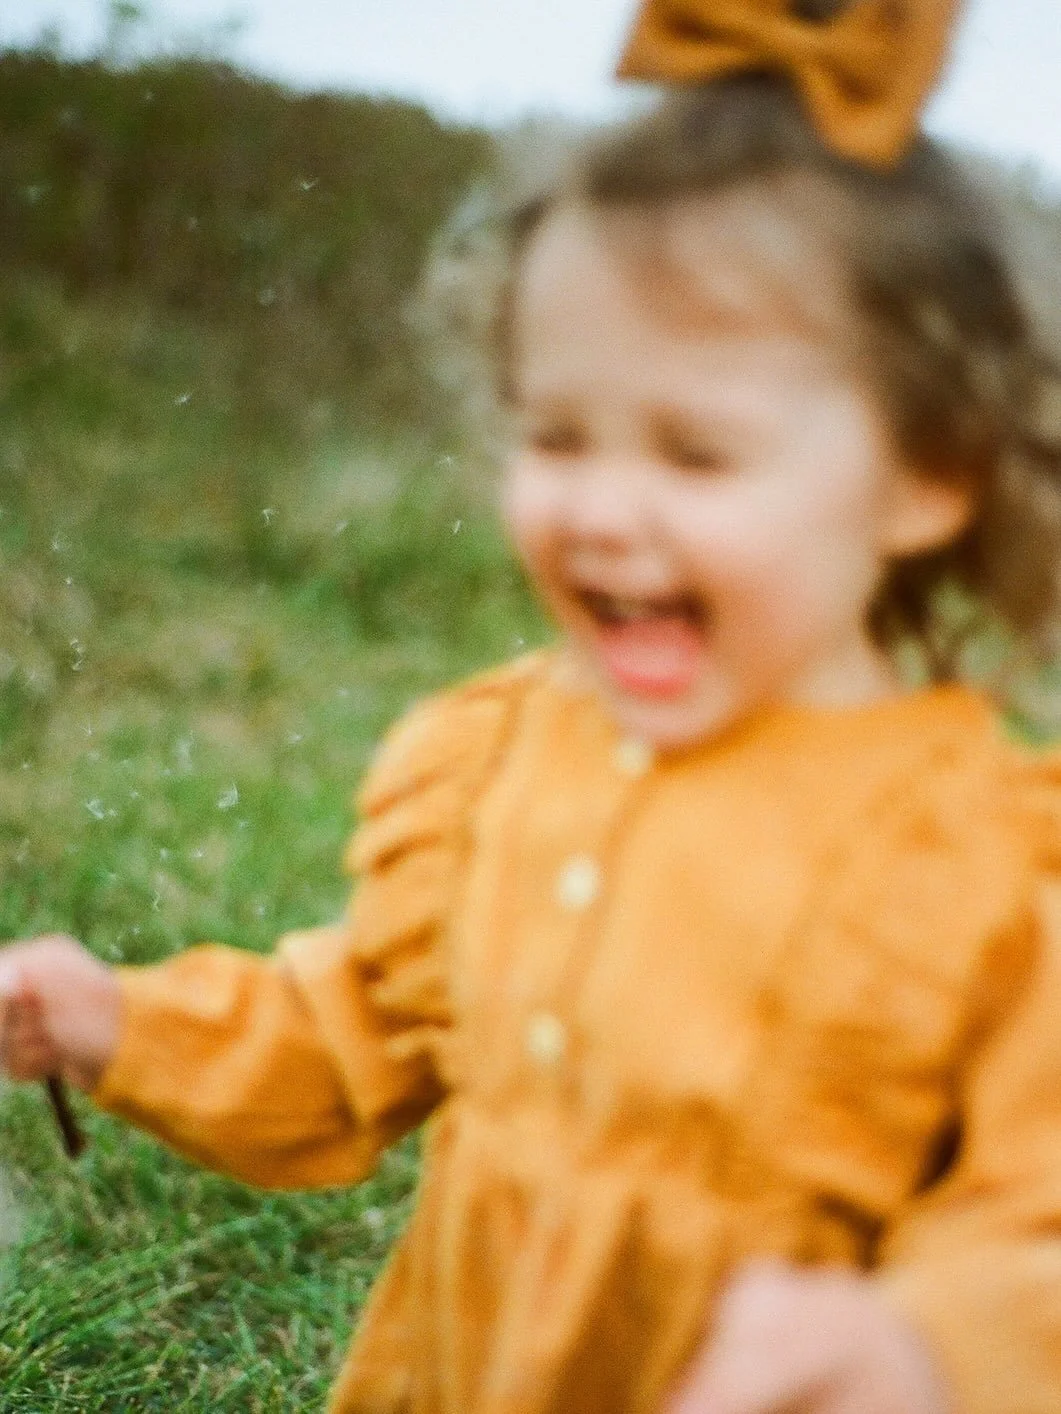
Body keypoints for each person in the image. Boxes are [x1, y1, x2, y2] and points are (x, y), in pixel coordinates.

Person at [4, 1, 1061, 1410]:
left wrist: (918, 1347)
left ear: (927, 473)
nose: (603, 506)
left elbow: (1034, 1219)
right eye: (556, 432)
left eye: (696, 450)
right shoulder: (497, 761)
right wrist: (124, 1022)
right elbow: (353, 1037)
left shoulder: (983, 864)